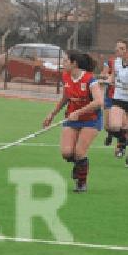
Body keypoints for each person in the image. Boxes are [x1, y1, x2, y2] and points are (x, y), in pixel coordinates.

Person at [43, 50, 104, 192]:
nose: (63, 63)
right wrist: (52, 114)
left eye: (65, 61)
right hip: (71, 118)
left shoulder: (90, 80)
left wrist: (79, 112)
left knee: (79, 152)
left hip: (91, 120)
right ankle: (79, 165)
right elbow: (65, 98)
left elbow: (99, 102)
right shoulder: (66, 76)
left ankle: (81, 182)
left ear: (74, 63)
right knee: (66, 153)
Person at [107, 40, 128, 167]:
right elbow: (113, 77)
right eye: (117, 47)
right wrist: (107, 81)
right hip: (119, 97)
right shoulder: (116, 62)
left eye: (121, 48)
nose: (117, 50)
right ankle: (122, 140)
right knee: (113, 126)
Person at [100, 51, 128, 150]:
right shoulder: (111, 62)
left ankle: (121, 146)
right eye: (118, 48)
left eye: (122, 48)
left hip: (124, 97)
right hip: (110, 96)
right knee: (108, 126)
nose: (119, 51)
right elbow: (103, 74)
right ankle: (111, 134)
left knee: (122, 124)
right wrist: (107, 78)